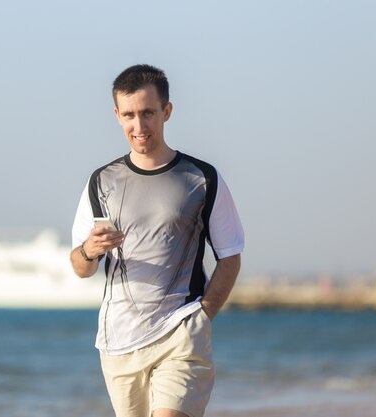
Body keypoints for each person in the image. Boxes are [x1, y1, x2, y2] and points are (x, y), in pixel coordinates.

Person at [70, 64, 244, 417]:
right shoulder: (101, 181)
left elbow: (230, 255)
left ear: (166, 111)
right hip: (119, 342)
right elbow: (80, 267)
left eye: (148, 113)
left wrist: (203, 314)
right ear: (117, 115)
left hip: (181, 333)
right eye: (130, 115)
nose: (139, 126)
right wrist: (90, 250)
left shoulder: (202, 178)